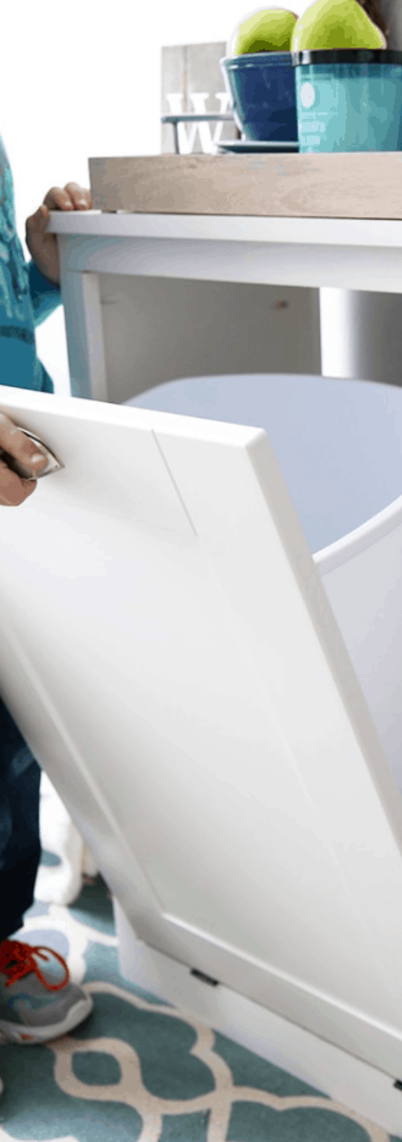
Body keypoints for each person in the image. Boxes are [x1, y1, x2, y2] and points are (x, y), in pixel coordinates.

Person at [0, 132, 94, 1082]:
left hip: (15, 496)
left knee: (16, 734)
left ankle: (2, 935)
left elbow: (5, 322)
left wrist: (38, 270)